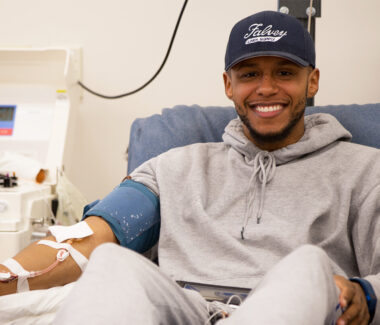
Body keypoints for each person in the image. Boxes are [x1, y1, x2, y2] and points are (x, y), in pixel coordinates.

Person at [0, 10, 379, 325]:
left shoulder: (366, 173)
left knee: (309, 265)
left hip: (294, 306)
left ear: (311, 81)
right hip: (184, 307)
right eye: (249, 74)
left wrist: (365, 293)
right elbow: (89, 237)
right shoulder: (176, 167)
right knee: (112, 263)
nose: (266, 88)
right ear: (228, 85)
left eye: (284, 72)